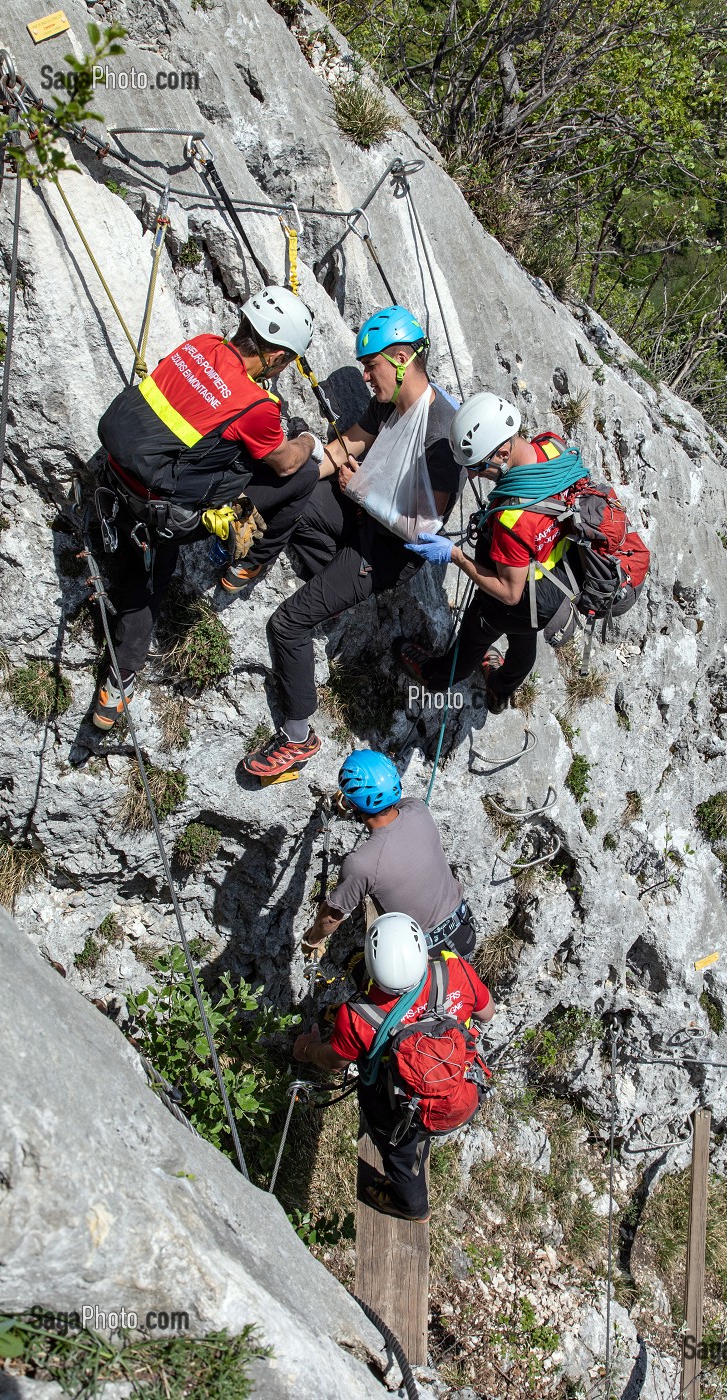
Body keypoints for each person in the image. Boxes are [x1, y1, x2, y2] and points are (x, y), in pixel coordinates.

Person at [241, 305, 462, 780]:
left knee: (287, 625)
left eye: (371, 365)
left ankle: (298, 737)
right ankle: (307, 576)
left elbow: (421, 527)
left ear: (402, 358)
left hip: (383, 555)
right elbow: (344, 449)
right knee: (297, 496)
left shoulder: (441, 431)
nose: (365, 376)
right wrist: (289, 475)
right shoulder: (390, 403)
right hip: (360, 519)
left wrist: (361, 489)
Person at [90, 286, 325, 729]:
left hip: (118, 475)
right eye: (288, 360)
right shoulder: (256, 406)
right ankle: (250, 564)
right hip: (162, 510)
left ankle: (115, 688)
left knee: (149, 573)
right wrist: (308, 439)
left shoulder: (200, 345)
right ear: (275, 356)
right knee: (305, 475)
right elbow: (284, 462)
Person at [293, 911, 495, 1222]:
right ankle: (423, 1140)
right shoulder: (456, 970)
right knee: (418, 1126)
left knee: (400, 1155)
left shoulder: (357, 1016)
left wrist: (307, 1049)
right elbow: (486, 1013)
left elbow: (334, 1062)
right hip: (460, 1082)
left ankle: (412, 1207)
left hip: (398, 1108)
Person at [394, 392, 588, 713]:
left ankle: (435, 676)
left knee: (472, 642)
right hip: (553, 578)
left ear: (502, 452)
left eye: (478, 466)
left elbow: (509, 593)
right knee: (524, 636)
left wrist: (456, 556)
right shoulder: (553, 445)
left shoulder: (511, 518)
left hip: (513, 597)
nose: (472, 475)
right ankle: (500, 689)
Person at [301, 749, 476, 958]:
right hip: (464, 930)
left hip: (426, 956)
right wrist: (353, 803)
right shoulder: (418, 809)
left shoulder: (361, 864)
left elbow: (330, 918)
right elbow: (391, 810)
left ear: (353, 803)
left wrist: (312, 941)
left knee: (363, 975)